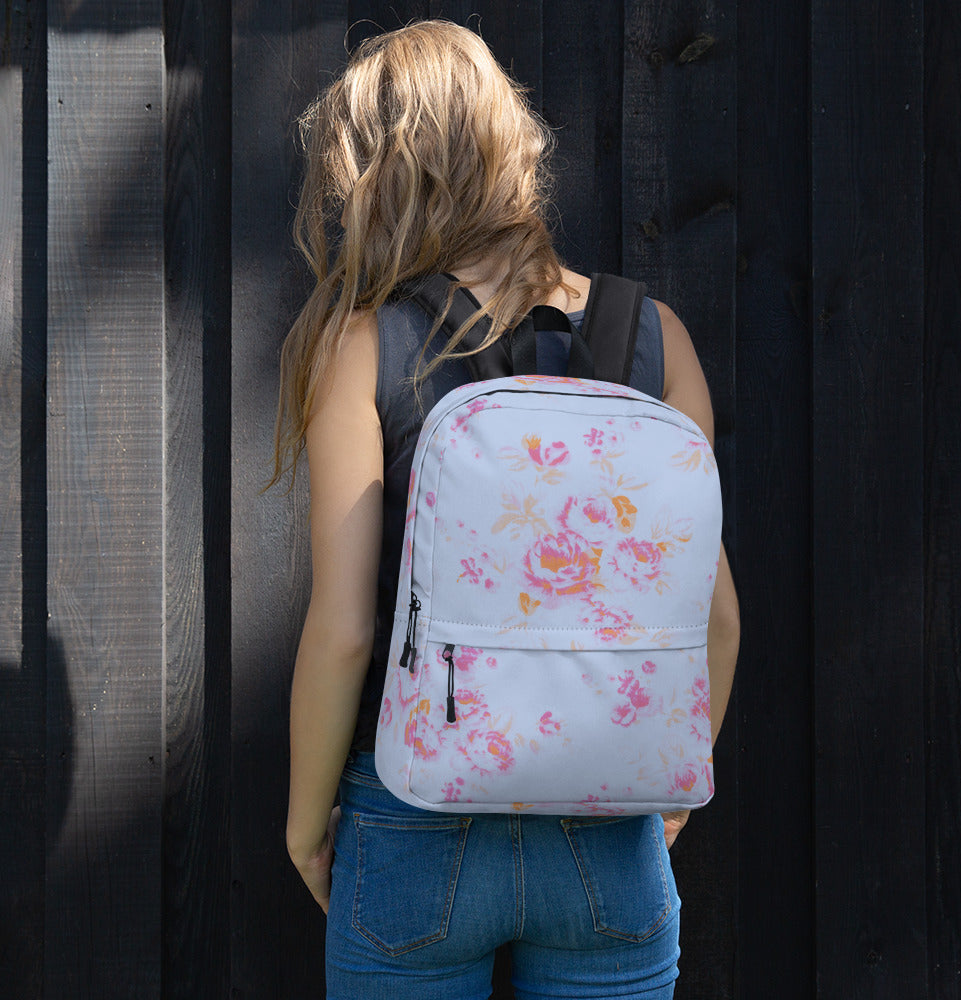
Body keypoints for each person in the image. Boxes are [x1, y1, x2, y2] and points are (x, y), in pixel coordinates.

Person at [273, 20, 740, 1000]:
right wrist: (669, 796)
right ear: (513, 148)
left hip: (411, 814)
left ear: (373, 177)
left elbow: (347, 626)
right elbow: (716, 616)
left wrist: (306, 824)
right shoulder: (655, 336)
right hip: (606, 821)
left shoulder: (363, 344)